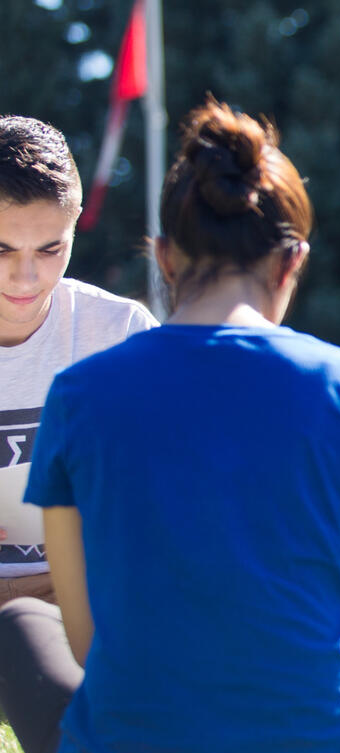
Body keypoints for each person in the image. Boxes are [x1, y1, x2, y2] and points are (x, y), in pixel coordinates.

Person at [0, 100, 340, 753]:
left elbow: (86, 646)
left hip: (122, 750)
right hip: (325, 749)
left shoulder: (78, 393)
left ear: (164, 259)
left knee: (20, 628)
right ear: (292, 263)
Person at [0, 116, 158, 609]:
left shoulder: (121, 332)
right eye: (0, 249)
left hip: (87, 590)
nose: (25, 277)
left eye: (51, 249)